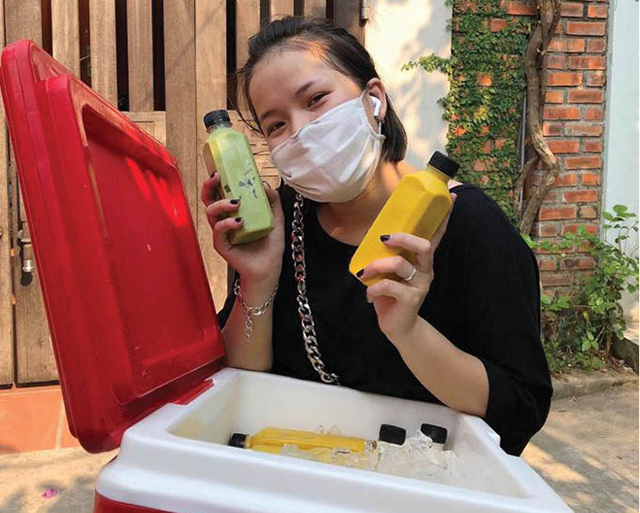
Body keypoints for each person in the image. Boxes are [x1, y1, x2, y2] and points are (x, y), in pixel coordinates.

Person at [199, 17, 552, 456]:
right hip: (291, 466)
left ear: (374, 99)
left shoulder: (470, 225)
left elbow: (518, 410)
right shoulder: (280, 220)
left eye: (315, 99)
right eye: (276, 125)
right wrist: (259, 278)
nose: (301, 131)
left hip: (417, 478)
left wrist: (408, 331)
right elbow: (239, 385)